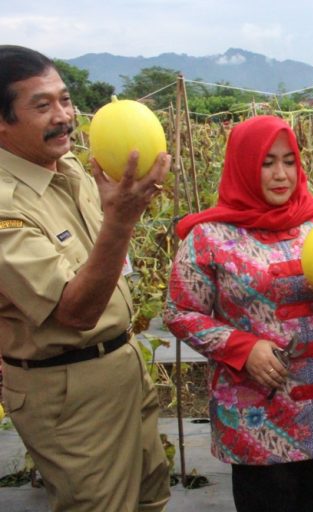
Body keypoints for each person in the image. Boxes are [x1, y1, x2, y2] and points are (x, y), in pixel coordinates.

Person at [163, 115, 313, 512]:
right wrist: (242, 348)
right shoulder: (209, 237)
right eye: (267, 163)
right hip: (259, 413)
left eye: (289, 161)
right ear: (243, 166)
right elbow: (180, 311)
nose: (281, 174)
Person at [0, 45, 171, 511]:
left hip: (122, 365)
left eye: (65, 99)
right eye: (42, 105)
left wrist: (125, 210)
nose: (63, 116)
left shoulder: (73, 168)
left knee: (150, 498)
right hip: (67, 388)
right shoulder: (6, 206)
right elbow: (75, 312)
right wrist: (121, 221)